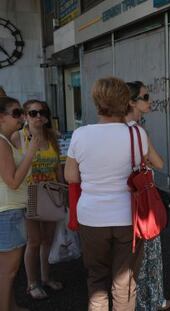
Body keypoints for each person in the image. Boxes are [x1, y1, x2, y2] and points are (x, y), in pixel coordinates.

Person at [64, 77, 145, 310]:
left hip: (91, 216)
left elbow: (71, 176)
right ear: (126, 102)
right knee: (124, 282)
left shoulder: (81, 135)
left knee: (97, 279)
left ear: (97, 102)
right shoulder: (137, 134)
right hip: (128, 216)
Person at [125, 81, 170, 311]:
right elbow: (159, 162)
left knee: (129, 255)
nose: (149, 100)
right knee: (149, 252)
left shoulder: (114, 129)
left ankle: (136, 301)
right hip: (142, 200)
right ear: (131, 102)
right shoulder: (137, 131)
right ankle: (153, 300)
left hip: (123, 199)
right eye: (144, 97)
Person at [11, 100, 63, 299]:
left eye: (42, 112)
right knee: (34, 241)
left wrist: (63, 191)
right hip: (29, 194)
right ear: (25, 116)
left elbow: (57, 165)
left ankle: (46, 278)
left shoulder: (52, 136)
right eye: (33, 113)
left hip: (51, 192)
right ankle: (32, 284)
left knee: (47, 240)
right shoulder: (18, 138)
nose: (38, 116)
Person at [0, 96, 39, 311]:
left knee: (9, 271)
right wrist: (31, 152)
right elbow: (13, 181)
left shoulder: (5, 140)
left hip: (10, 211)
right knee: (8, 271)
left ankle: (11, 305)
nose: (22, 117)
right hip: (8, 213)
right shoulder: (1, 142)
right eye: (16, 113)